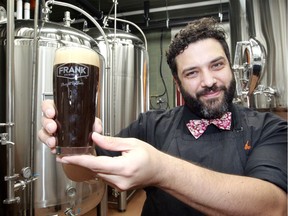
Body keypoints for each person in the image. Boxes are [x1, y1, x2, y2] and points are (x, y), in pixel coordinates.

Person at [38, 17, 287, 215]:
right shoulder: (151, 126)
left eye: (217, 65)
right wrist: (73, 149)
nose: (209, 81)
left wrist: (161, 170)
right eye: (192, 73)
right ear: (177, 83)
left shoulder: (270, 128)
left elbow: (273, 207)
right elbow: (86, 172)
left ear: (230, 67)